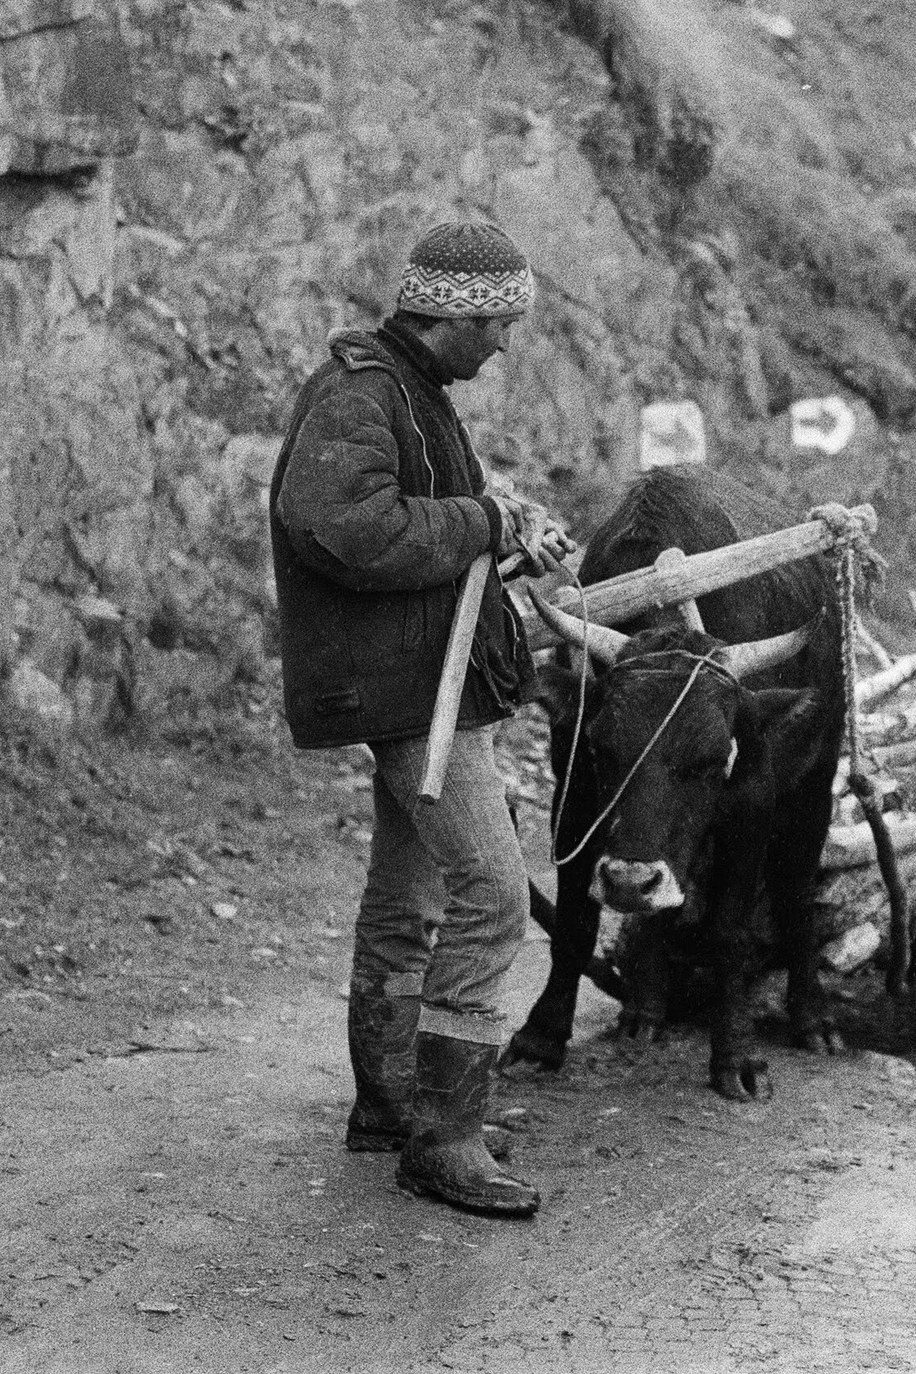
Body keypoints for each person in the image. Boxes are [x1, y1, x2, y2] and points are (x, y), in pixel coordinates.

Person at [268, 218, 567, 1215]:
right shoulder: (361, 393)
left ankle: (393, 1103)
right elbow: (340, 524)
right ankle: (445, 1136)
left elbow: (413, 525)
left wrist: (500, 534)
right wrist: (482, 519)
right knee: (494, 894)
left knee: (410, 898)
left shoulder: (408, 391)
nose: (506, 344)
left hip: (420, 682)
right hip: (407, 693)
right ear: (452, 314)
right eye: (500, 324)